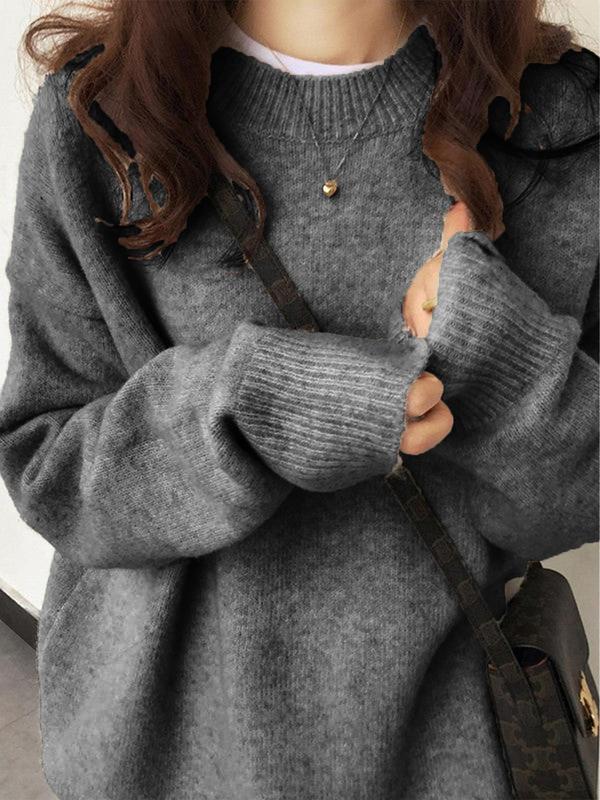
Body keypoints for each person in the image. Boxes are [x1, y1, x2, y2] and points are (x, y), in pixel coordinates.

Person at [0, 1, 597, 798]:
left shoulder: (560, 118)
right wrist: (250, 407)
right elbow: (49, 467)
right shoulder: (100, 117)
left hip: (457, 763)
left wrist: (493, 344)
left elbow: (584, 496)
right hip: (160, 762)